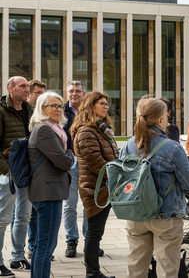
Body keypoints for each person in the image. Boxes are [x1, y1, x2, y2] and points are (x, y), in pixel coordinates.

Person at [121, 97, 189, 278]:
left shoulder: (129, 145)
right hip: (167, 216)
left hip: (135, 214)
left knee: (135, 269)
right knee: (167, 270)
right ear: (160, 120)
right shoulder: (172, 148)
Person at [28, 91, 74, 278]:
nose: (58, 109)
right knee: (46, 246)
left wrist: (67, 155)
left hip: (48, 191)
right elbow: (63, 161)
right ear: (42, 108)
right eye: (53, 106)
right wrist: (70, 155)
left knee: (42, 244)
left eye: (60, 105)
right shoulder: (45, 130)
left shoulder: (53, 129)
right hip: (48, 192)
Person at [71, 92, 117, 278]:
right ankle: (92, 272)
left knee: (96, 231)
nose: (106, 107)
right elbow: (96, 163)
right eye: (101, 103)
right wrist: (117, 175)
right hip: (95, 188)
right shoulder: (86, 131)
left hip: (103, 187)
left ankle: (93, 271)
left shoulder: (99, 129)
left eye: (107, 104)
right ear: (91, 105)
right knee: (94, 232)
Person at [0, 76, 32, 277]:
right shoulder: (2, 111)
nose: (27, 89)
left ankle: (18, 256)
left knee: (23, 217)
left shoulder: (29, 110)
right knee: (2, 219)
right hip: (9, 173)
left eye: (28, 86)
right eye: (22, 86)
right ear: (11, 89)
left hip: (27, 172)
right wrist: (6, 170)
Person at [63, 80, 86, 258]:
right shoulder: (60, 111)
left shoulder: (89, 112)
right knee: (69, 205)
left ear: (83, 93)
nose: (74, 94)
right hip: (69, 165)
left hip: (87, 165)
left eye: (78, 91)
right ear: (67, 92)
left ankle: (91, 240)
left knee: (89, 205)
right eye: (71, 91)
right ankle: (71, 241)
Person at [25, 80, 46, 261]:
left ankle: (36, 247)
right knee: (26, 214)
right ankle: (30, 247)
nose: (41, 96)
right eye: (38, 93)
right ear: (29, 94)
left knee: (37, 213)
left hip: (40, 172)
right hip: (26, 171)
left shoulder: (42, 115)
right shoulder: (26, 113)